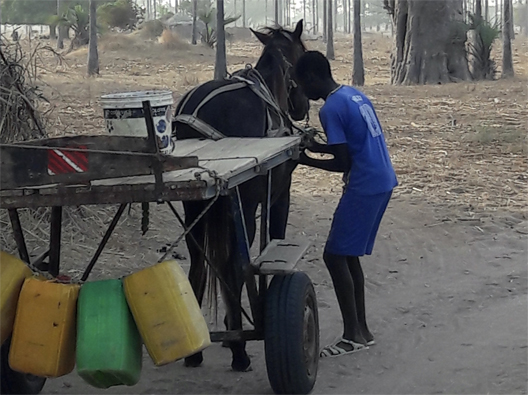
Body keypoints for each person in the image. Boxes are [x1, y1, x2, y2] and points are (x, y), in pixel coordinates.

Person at [295, 51, 398, 358]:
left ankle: (352, 334)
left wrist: (305, 159)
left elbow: (342, 162)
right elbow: (353, 143)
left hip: (363, 185)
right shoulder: (353, 94)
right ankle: (361, 331)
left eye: (301, 84)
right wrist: (317, 145)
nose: (303, 93)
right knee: (348, 256)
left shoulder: (330, 109)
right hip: (382, 179)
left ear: (312, 78)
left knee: (334, 256)